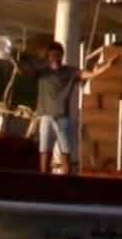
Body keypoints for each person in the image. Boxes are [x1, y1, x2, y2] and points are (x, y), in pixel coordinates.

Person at [31, 40, 83, 175]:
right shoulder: (42, 72)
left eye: (58, 55)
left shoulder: (70, 71)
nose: (55, 58)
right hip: (46, 117)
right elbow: (23, 70)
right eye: (52, 55)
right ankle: (44, 184)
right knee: (44, 152)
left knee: (65, 153)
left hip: (62, 119)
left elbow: (88, 74)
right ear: (48, 56)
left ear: (62, 55)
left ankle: (66, 185)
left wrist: (106, 66)